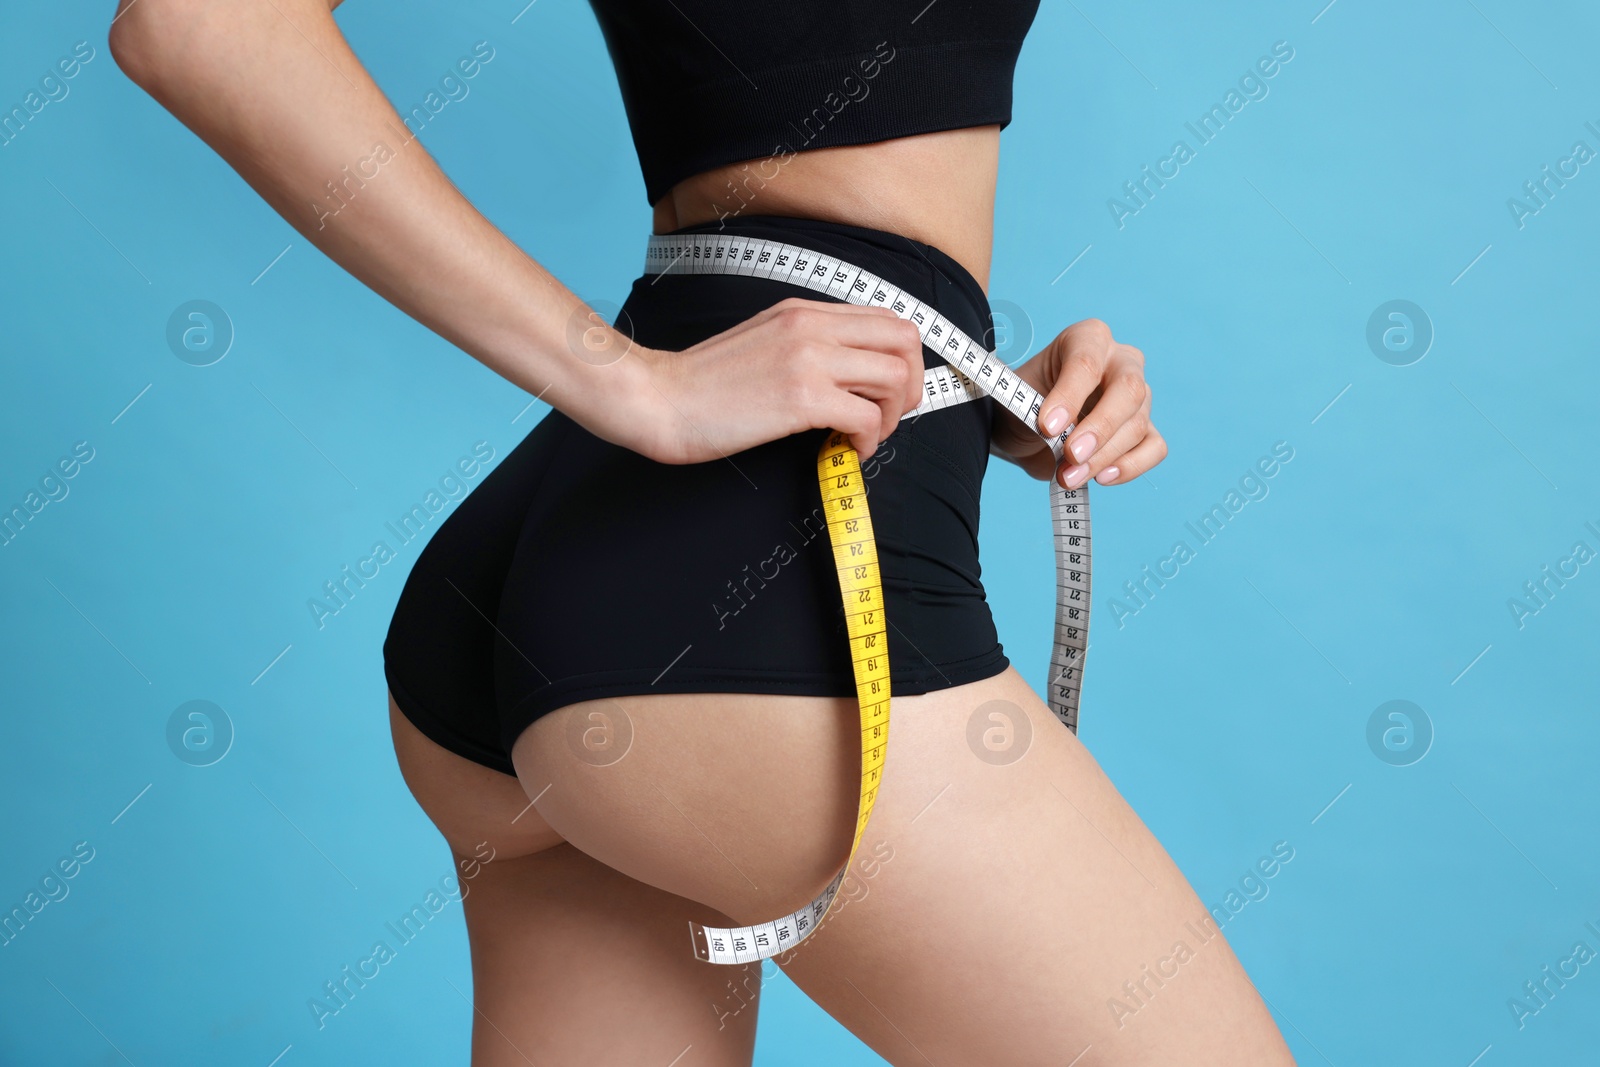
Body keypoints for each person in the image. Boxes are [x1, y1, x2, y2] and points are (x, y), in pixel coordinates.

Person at [109, 1, 1295, 1063]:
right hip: (756, 597)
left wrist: (969, 390)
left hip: (588, 566)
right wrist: (635, 387)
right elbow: (201, 23)